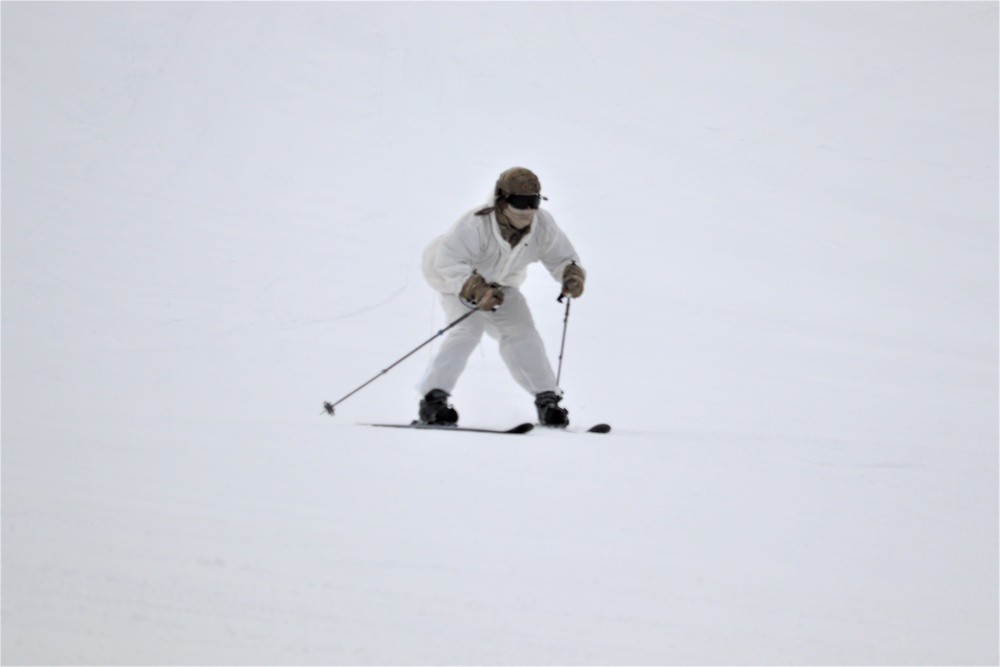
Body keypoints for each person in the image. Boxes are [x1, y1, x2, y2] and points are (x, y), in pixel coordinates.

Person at [417, 166, 586, 427]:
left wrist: (570, 274)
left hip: (503, 285)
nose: (529, 210)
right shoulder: (475, 223)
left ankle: (547, 400)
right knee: (467, 331)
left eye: (534, 202)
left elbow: (562, 256)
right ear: (502, 199)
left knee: (523, 333)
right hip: (459, 283)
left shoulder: (543, 225)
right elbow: (449, 261)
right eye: (521, 202)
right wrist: (477, 289)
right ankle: (433, 400)